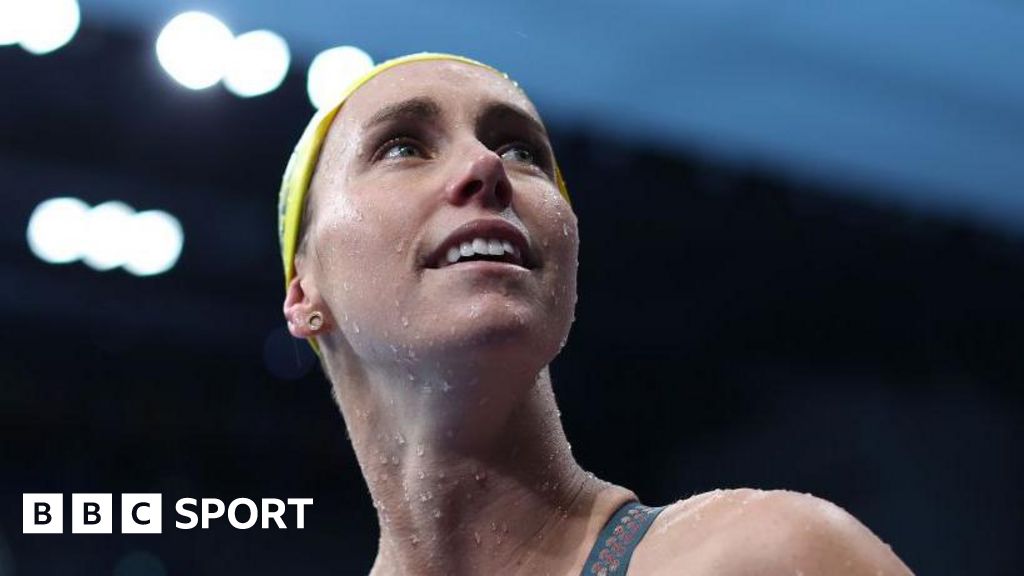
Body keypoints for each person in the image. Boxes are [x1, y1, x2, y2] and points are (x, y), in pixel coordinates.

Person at [278, 53, 914, 575]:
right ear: (304, 293)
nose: (486, 166)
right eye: (402, 147)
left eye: (523, 151)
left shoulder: (766, 557)